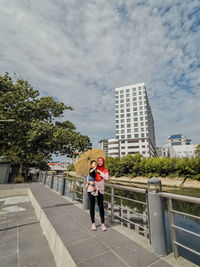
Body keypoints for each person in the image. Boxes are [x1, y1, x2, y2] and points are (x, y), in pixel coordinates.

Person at [87, 157, 110, 232]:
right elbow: (89, 176)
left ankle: (102, 223)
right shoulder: (94, 169)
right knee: (92, 206)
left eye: (101, 161)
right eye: (98, 161)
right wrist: (88, 182)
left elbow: (107, 177)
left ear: (103, 162)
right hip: (92, 189)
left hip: (100, 190)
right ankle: (93, 223)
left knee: (101, 206)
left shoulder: (105, 170)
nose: (99, 162)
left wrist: (100, 172)